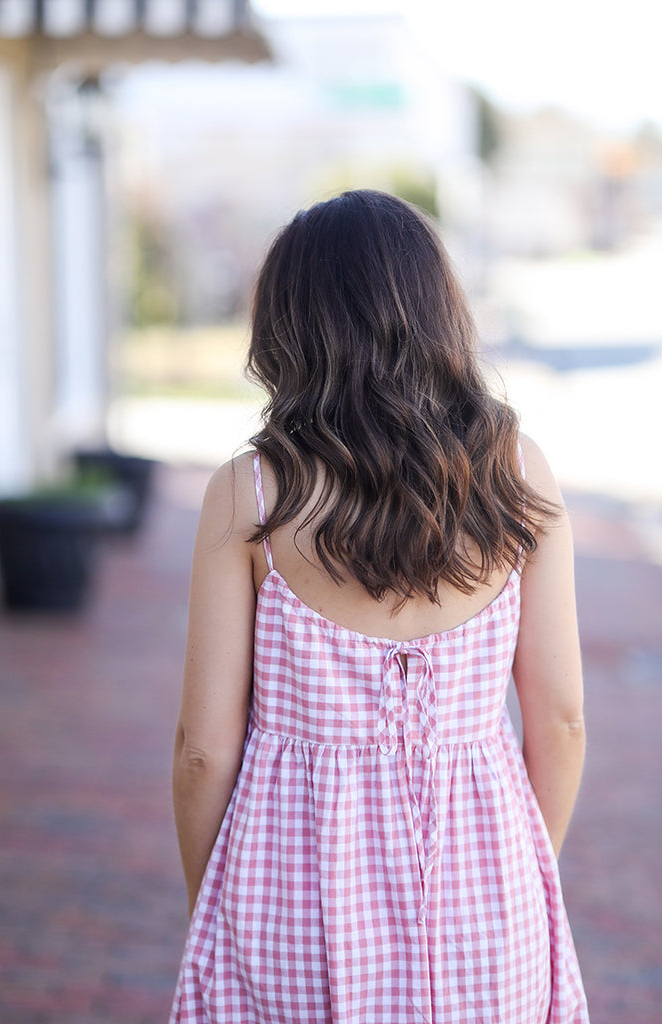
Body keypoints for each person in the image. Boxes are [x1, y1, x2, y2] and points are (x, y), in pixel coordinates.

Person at [169, 190, 589, 1023]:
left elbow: (200, 753)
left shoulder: (250, 493)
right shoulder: (517, 472)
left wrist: (208, 898)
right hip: (488, 897)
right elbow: (564, 722)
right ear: (438, 311)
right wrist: (520, 865)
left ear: (288, 324)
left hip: (287, 892)